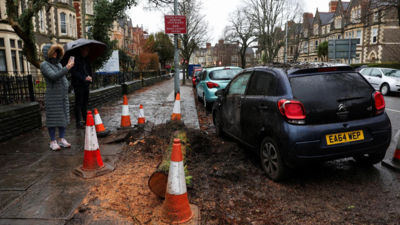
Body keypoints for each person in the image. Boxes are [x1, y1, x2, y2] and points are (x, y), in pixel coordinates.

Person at [40, 44, 75, 150]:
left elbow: (61, 76)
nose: (55, 54)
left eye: (57, 52)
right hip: (53, 97)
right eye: (53, 52)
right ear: (48, 53)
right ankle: (52, 141)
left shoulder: (59, 65)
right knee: (52, 119)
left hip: (62, 96)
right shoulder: (44, 65)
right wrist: (67, 67)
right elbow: (54, 77)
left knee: (63, 118)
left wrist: (67, 82)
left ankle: (61, 139)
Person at [70, 45, 92, 128]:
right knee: (78, 102)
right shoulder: (74, 58)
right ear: (81, 50)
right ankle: (78, 122)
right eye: (85, 50)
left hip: (86, 84)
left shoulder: (86, 59)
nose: (87, 52)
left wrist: (90, 79)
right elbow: (73, 71)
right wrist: (84, 78)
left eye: (88, 50)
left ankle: (86, 120)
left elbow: (89, 69)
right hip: (78, 83)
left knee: (85, 103)